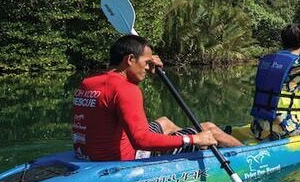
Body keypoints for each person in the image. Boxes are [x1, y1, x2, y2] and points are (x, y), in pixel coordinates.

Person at [72, 35, 241, 161]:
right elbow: (141, 141)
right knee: (209, 129)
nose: (148, 67)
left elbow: (116, 96)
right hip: (128, 158)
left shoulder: (88, 83)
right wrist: (193, 139)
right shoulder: (126, 90)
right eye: (146, 62)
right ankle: (251, 155)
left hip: (88, 154)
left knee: (165, 122)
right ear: (130, 59)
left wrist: (149, 71)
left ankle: (189, 145)